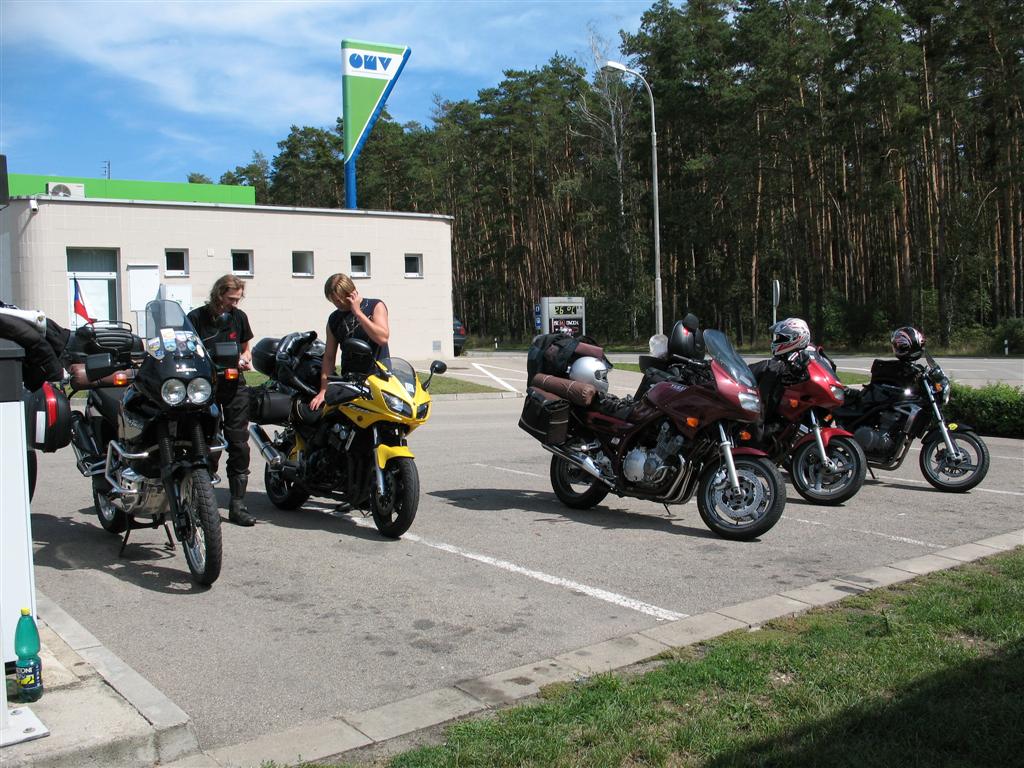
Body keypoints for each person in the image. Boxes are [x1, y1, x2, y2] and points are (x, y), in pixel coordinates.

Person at [187, 275, 255, 526]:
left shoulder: (239, 317)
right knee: (208, 442)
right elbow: (187, 350)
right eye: (230, 299)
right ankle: (202, 503)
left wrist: (245, 358)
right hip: (206, 387)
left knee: (239, 443)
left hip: (235, 384)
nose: (234, 303)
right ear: (218, 294)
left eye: (238, 299)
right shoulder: (196, 318)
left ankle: (237, 505)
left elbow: (246, 348)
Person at [310, 273, 390, 411]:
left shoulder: (375, 306)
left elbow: (382, 338)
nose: (337, 304)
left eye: (339, 300)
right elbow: (329, 357)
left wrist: (358, 313)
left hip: (378, 378)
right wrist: (324, 390)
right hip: (351, 382)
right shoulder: (334, 319)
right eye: (333, 301)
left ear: (351, 293)